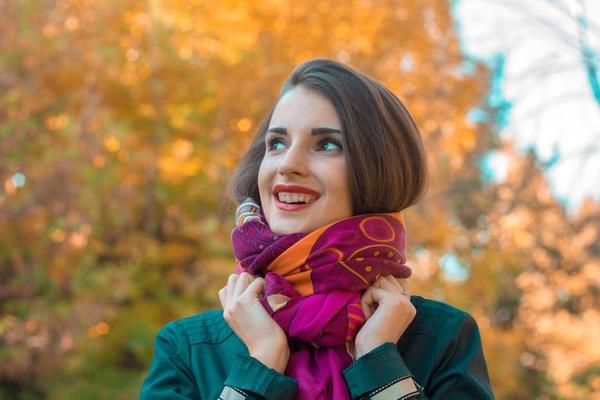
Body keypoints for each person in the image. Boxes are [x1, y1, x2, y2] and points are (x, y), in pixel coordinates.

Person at [140, 59, 495, 399]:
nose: (288, 164)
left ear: (377, 170)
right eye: (277, 143)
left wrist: (380, 364)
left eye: (326, 144)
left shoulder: (442, 338)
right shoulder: (187, 349)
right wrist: (259, 364)